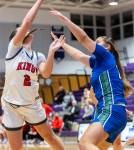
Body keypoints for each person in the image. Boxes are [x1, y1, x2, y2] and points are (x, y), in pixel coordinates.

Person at [50, 10, 133, 150]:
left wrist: (65, 20)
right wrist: (62, 44)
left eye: (97, 43)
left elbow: (83, 38)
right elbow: (78, 55)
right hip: (112, 111)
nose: (93, 45)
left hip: (111, 110)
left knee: (84, 143)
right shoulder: (98, 63)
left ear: (107, 47)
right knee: (100, 146)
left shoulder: (106, 56)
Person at [1, 1, 65, 150]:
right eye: (21, 31)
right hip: (11, 105)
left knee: (50, 137)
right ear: (14, 39)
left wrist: (51, 53)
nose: (25, 31)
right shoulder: (13, 50)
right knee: (16, 147)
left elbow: (46, 73)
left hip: (32, 104)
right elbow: (27, 22)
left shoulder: (38, 56)